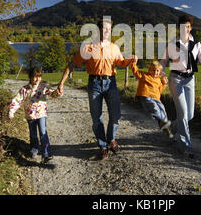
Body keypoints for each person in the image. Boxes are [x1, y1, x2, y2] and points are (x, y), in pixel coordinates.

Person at [57, 19, 136, 160]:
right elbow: (72, 64)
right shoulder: (88, 47)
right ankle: (102, 146)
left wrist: (131, 60)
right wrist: (61, 83)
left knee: (116, 115)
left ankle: (111, 139)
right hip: (94, 84)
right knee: (96, 117)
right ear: (98, 30)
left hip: (110, 83)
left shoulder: (114, 47)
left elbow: (121, 63)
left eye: (109, 29)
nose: (107, 32)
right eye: (104, 29)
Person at [161, 15, 201, 158]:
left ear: (190, 28)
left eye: (187, 26)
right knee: (183, 113)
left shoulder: (197, 44)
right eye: (182, 27)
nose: (185, 29)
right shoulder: (172, 43)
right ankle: (186, 147)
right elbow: (162, 62)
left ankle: (170, 128)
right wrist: (162, 74)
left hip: (189, 80)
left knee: (189, 115)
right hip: (175, 79)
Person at [9, 67, 60, 163]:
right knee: (33, 134)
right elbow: (17, 100)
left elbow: (52, 94)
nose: (37, 79)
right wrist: (11, 111)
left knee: (43, 132)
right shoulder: (25, 89)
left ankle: (46, 154)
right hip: (30, 116)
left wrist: (57, 93)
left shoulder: (44, 87)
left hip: (41, 114)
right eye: (35, 77)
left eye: (39, 77)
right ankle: (34, 149)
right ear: (30, 77)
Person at [131, 58, 173, 138]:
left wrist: (164, 84)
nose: (155, 73)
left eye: (157, 71)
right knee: (155, 108)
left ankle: (166, 127)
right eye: (153, 70)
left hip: (156, 98)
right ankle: (162, 122)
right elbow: (136, 72)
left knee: (162, 109)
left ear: (160, 72)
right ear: (149, 70)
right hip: (146, 96)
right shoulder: (144, 75)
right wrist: (133, 63)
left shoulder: (158, 80)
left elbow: (159, 90)